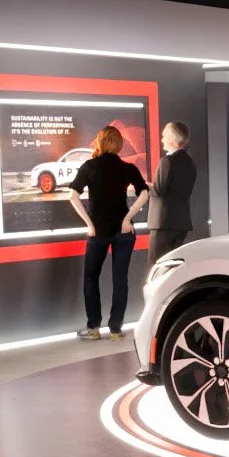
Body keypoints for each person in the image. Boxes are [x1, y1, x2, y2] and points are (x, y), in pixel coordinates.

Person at [67, 125, 149, 341]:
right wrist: (127, 218)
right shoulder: (127, 167)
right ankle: (115, 329)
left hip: (98, 232)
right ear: (119, 144)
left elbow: (73, 196)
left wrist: (89, 224)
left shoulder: (89, 166)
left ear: (100, 142)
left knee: (90, 277)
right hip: (124, 231)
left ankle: (93, 328)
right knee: (120, 280)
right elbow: (145, 193)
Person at [148, 121, 197, 266]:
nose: (162, 139)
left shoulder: (167, 161)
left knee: (157, 267)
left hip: (163, 223)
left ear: (173, 139)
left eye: (164, 136)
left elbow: (159, 190)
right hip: (181, 223)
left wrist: (142, 186)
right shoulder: (190, 162)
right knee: (173, 267)